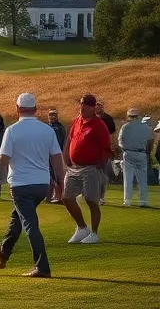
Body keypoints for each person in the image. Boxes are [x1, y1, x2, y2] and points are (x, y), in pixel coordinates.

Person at [0, 93, 65, 278]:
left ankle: (42, 266)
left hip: (20, 184)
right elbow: (57, 159)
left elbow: (3, 159)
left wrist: (4, 157)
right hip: (42, 184)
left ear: (17, 108)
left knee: (30, 224)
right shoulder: (47, 130)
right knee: (19, 218)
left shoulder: (12, 130)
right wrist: (61, 183)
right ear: (35, 109)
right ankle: (4, 252)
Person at [63, 93, 113, 245]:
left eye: (86, 105)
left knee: (91, 200)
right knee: (66, 197)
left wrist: (101, 164)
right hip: (74, 167)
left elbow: (107, 147)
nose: (82, 107)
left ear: (93, 108)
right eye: (81, 104)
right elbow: (70, 140)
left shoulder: (99, 125)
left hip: (91, 167)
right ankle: (82, 228)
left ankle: (94, 233)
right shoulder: (77, 121)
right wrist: (66, 157)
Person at [118, 107, 151, 207]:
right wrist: (147, 153)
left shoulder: (125, 127)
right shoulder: (145, 127)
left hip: (129, 153)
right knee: (142, 178)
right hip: (141, 153)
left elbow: (120, 141)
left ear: (129, 116)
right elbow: (149, 141)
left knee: (128, 178)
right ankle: (143, 201)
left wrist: (124, 149)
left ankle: (127, 200)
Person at [46, 109, 67, 203]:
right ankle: (49, 196)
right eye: (50, 115)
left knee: (57, 175)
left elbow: (63, 141)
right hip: (47, 154)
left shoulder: (59, 127)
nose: (52, 116)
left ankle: (59, 196)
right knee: (49, 175)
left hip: (57, 154)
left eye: (54, 115)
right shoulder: (46, 127)